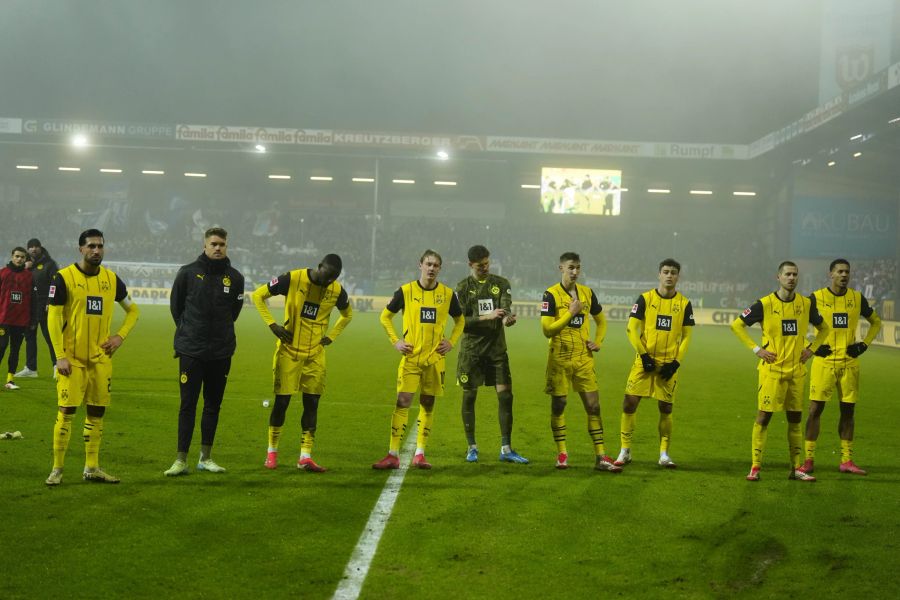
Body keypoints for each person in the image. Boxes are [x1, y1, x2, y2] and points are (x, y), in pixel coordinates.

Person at [45, 229, 140, 486]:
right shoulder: (63, 277)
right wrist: (59, 356)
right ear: (81, 249)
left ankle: (92, 467)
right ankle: (57, 468)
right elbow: (52, 317)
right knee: (66, 412)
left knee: (97, 413)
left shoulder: (112, 279)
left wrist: (119, 336)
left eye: (100, 246)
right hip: (71, 359)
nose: (96, 250)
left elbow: (133, 311)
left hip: (100, 359)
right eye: (91, 246)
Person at [251, 253, 352, 472]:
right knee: (282, 403)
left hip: (315, 354)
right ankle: (272, 453)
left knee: (312, 403)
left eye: (333, 278)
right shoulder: (293, 279)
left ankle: (305, 456)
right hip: (289, 352)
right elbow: (258, 295)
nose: (328, 282)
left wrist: (331, 336)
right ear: (319, 266)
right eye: (326, 275)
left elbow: (347, 315)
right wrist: (272, 325)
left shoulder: (336, 291)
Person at [731, 260, 830, 483]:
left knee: (795, 418)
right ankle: (755, 467)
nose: (792, 278)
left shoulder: (806, 304)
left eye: (795, 274)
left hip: (796, 371)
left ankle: (796, 468)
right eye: (787, 274)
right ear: (779, 277)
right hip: (772, 371)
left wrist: (812, 349)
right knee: (764, 417)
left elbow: (824, 328)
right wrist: (756, 349)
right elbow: (737, 325)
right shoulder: (764, 304)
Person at [164, 227, 245, 476]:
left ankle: (206, 458)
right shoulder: (187, 273)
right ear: (205, 245)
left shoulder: (236, 278)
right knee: (187, 405)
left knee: (213, 405)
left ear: (226, 246)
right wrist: (190, 332)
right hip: (192, 350)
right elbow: (176, 308)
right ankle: (180, 460)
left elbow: (234, 313)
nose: (218, 248)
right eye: (214, 244)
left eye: (222, 244)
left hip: (221, 351)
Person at [373, 250, 464, 470]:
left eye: (436, 265)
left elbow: (460, 320)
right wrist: (396, 341)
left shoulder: (447, 294)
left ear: (440, 268)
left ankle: (420, 453)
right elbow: (385, 317)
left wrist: (451, 341)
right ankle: (393, 454)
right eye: (428, 264)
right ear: (420, 265)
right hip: (411, 358)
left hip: (435, 360)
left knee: (428, 403)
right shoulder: (405, 291)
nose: (432, 268)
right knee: (402, 401)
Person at [798, 258, 882, 476]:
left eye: (847, 272)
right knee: (815, 410)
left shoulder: (856, 298)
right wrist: (812, 347)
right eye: (840, 271)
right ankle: (808, 460)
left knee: (848, 412)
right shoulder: (815, 298)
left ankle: (846, 460)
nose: (844, 275)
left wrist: (864, 344)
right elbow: (795, 323)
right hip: (824, 364)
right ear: (831, 274)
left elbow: (876, 322)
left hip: (849, 363)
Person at [540, 252, 621, 472]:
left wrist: (598, 341)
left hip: (583, 358)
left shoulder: (587, 293)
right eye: (570, 268)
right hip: (560, 357)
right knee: (559, 405)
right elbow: (547, 330)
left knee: (594, 406)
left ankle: (601, 456)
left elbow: (602, 322)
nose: (575, 272)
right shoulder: (551, 295)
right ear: (561, 269)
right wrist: (570, 313)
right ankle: (562, 453)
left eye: (578, 268)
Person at [614, 258, 695, 469]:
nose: (669, 275)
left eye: (674, 272)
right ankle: (625, 451)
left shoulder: (684, 304)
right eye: (666, 271)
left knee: (666, 407)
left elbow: (687, 336)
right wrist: (644, 356)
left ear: (678, 276)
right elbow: (631, 328)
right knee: (629, 403)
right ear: (659, 274)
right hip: (644, 361)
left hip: (668, 363)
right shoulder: (645, 299)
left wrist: (676, 362)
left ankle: (664, 454)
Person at [455, 245, 528, 464]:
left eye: (487, 263)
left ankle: (506, 448)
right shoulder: (463, 287)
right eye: (480, 265)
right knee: (469, 396)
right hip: (472, 352)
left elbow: (505, 309)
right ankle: (472, 447)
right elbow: (460, 323)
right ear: (471, 265)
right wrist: (487, 317)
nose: (485, 267)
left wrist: (506, 319)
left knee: (506, 396)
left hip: (497, 351)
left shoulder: (501, 284)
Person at [16, 238, 59, 379]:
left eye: (36, 246)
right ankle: (31, 368)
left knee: (50, 337)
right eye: (31, 247)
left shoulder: (49, 264)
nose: (33, 249)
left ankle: (57, 366)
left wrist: (50, 301)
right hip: (30, 307)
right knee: (29, 338)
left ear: (41, 248)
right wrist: (24, 267)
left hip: (46, 307)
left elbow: (55, 284)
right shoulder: (25, 264)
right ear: (28, 249)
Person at [1, 247, 34, 390]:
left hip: (20, 321)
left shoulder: (29, 276)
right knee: (1, 348)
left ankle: (10, 380)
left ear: (25, 259)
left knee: (15, 350)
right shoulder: (3, 273)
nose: (19, 259)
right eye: (17, 256)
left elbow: (33, 300)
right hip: (3, 319)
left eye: (22, 257)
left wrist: (33, 320)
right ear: (12, 256)